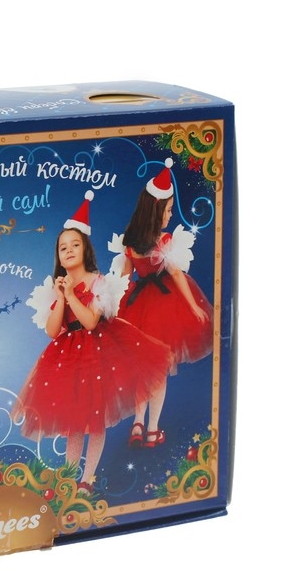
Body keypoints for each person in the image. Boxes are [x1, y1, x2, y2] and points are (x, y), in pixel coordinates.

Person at [15, 191, 173, 494]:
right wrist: (61, 296)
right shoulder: (58, 286)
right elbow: (52, 330)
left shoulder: (99, 282)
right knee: (75, 424)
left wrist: (72, 295)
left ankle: (87, 479)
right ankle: (68, 478)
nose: (69, 250)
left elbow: (89, 321)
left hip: (97, 353)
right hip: (68, 356)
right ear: (58, 256)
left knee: (95, 420)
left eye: (75, 245)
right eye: (63, 247)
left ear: (86, 249)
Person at [109, 157, 213, 448]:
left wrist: (117, 307)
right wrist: (193, 306)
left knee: (144, 367)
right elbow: (176, 274)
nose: (170, 215)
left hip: (139, 306)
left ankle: (137, 422)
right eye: (167, 210)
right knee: (160, 369)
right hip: (164, 307)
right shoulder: (163, 240)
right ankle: (152, 429)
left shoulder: (130, 243)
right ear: (156, 211)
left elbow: (125, 277)